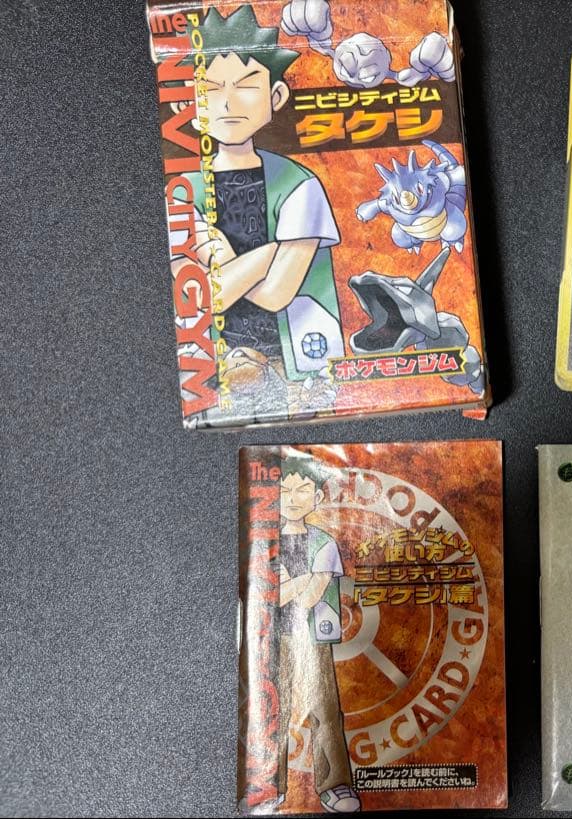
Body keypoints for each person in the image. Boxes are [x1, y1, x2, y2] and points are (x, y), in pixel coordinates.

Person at [170, 4, 344, 412]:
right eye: (211, 90)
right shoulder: (182, 191)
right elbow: (200, 298)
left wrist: (226, 259)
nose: (227, 104)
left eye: (246, 87)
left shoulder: (300, 185)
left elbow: (276, 294)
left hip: (298, 364)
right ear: (189, 105)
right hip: (212, 368)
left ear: (275, 96)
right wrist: (271, 253)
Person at [276, 457, 360, 813]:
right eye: (284, 490)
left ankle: (335, 785)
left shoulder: (325, 542)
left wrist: (291, 583)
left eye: (302, 490)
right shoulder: (265, 542)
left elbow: (309, 598)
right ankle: (271, 783)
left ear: (318, 498)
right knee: (273, 708)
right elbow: (275, 595)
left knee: (324, 709)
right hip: (272, 637)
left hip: (312, 637)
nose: (293, 498)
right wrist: (303, 580)